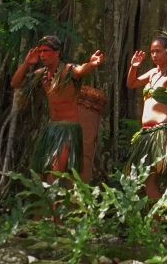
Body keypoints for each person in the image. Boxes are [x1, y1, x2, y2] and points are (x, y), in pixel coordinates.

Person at [10, 35, 104, 183]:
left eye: (46, 51)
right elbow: (16, 83)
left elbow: (81, 71)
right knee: (39, 176)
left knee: (56, 172)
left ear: (57, 52)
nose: (42, 55)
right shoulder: (41, 74)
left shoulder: (68, 71)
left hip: (68, 130)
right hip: (51, 129)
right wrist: (27, 63)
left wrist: (91, 64)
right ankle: (46, 204)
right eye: (40, 51)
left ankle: (57, 204)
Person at [124, 36, 167, 200]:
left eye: (158, 51)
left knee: (150, 179)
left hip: (161, 132)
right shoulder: (152, 73)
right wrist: (134, 67)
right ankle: (155, 218)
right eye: (152, 52)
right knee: (144, 179)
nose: (154, 55)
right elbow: (132, 83)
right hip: (146, 133)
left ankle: (157, 219)